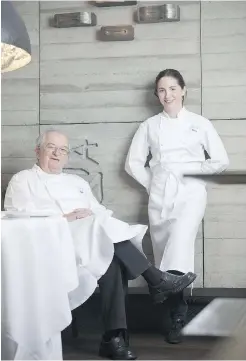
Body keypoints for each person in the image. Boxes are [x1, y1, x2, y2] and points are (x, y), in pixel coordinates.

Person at [4, 130, 196, 360]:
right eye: (50, 147)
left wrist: (90, 218)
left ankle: (114, 338)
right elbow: (18, 220)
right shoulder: (23, 180)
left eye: (62, 149)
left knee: (111, 258)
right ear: (38, 151)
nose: (57, 153)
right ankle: (155, 280)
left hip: (90, 243)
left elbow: (100, 212)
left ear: (67, 156)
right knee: (100, 233)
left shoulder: (77, 182)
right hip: (53, 247)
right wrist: (63, 219)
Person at [125, 69, 229, 344]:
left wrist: (193, 173)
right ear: (156, 95)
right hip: (160, 195)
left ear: (183, 90)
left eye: (172, 88)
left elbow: (220, 160)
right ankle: (172, 310)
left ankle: (177, 315)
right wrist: (154, 183)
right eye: (161, 90)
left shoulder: (200, 123)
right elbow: (133, 163)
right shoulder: (148, 126)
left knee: (180, 246)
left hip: (190, 194)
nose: (167, 94)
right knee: (163, 254)